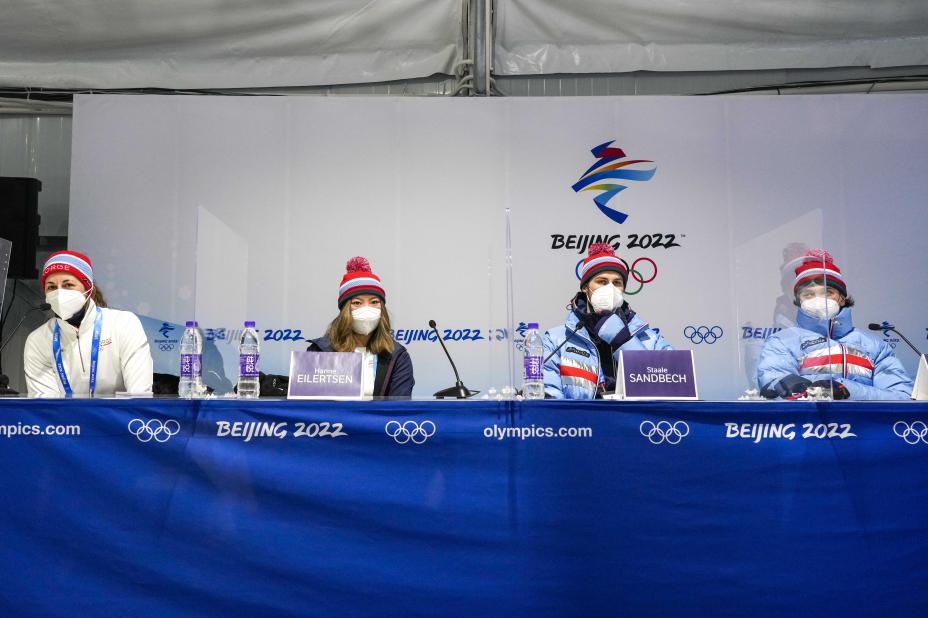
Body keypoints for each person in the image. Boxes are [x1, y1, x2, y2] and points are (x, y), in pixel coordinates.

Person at [756, 249, 913, 400]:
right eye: (808, 294)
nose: (819, 299)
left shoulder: (874, 345)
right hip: (808, 420)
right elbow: (776, 385)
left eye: (827, 292)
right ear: (799, 302)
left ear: (842, 299)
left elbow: (901, 395)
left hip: (862, 420)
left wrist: (847, 390)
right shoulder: (783, 341)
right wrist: (814, 391)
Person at [543, 243, 672, 399]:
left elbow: (671, 389)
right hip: (582, 416)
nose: (610, 289)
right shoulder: (556, 340)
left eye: (617, 283)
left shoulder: (651, 340)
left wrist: (624, 342)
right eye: (602, 281)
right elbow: (550, 398)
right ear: (585, 287)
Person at [23, 251, 153, 397]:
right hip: (65, 413)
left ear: (89, 290)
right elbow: (45, 404)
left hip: (120, 412)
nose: (59, 294)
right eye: (52, 287)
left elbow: (139, 394)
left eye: (68, 285)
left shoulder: (124, 324)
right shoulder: (38, 340)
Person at [307, 257, 414, 398]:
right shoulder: (319, 352)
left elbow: (399, 407)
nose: (366, 309)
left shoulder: (397, 356)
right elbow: (310, 405)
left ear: (382, 308)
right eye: (357, 303)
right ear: (345, 310)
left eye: (374, 302)